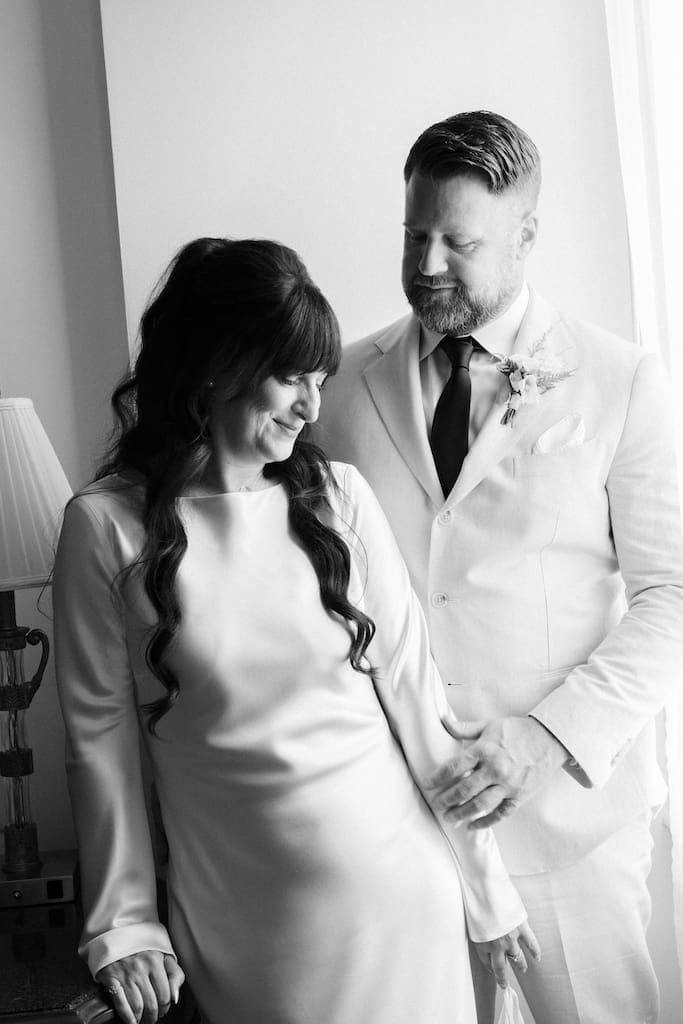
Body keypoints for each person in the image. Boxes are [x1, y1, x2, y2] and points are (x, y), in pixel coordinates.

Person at [53, 237, 537, 1024]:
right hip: (247, 932)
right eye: (291, 377)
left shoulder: (337, 496)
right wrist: (124, 924)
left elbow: (417, 705)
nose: (313, 408)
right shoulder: (106, 527)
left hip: (406, 905)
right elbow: (99, 746)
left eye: (320, 380)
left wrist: (488, 897)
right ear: (217, 364)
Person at [317, 110, 683, 1024]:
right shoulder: (340, 387)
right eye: (413, 234)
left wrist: (546, 737)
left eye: (457, 240)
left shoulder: (620, 379)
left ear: (525, 237)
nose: (426, 263)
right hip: (398, 825)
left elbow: (671, 597)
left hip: (571, 831)